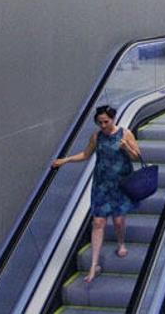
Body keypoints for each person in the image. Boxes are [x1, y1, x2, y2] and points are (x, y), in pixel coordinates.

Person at [52, 105, 141, 283]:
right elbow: (86, 154)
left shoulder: (125, 134)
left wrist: (126, 148)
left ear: (113, 119)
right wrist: (66, 160)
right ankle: (94, 265)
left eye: (105, 122)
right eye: (99, 122)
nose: (102, 126)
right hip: (101, 185)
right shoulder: (96, 136)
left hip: (121, 184)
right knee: (98, 222)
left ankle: (121, 242)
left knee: (118, 220)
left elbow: (137, 156)